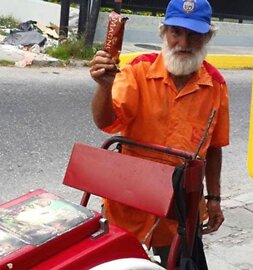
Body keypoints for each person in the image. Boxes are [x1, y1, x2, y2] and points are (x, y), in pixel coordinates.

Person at [89, 0, 229, 268]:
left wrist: (214, 199)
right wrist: (104, 88)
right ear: (164, 33)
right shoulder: (138, 70)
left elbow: (214, 147)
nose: (184, 42)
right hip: (129, 205)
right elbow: (105, 122)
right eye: (176, 32)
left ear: (207, 37)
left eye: (194, 35)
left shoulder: (216, 85)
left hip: (180, 213)